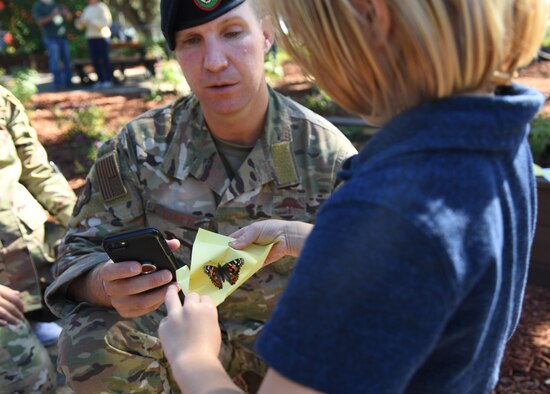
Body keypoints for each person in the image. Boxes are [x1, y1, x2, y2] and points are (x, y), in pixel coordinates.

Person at [157, 0, 549, 393]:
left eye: (307, 36)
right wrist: (321, 242)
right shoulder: (496, 134)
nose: (307, 59)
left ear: (370, 15)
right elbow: (438, 268)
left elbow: (399, 240)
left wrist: (193, 358)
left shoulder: (384, 209)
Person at [43, 0, 357, 392]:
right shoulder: (138, 147)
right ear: (175, 52)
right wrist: (102, 284)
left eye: (232, 33)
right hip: (176, 343)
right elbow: (76, 253)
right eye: (192, 40)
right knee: (91, 337)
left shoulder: (326, 155)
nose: (214, 61)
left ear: (266, 34)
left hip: (287, 359)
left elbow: (373, 278)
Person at [0, 85, 77, 393]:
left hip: (33, 270)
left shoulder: (2, 99)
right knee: (27, 377)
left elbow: (38, 170)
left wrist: (87, 224)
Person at [32, 0, 73, 90]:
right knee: (55, 60)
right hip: (50, 37)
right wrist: (52, 15)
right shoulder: (38, 6)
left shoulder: (57, 4)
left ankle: (68, 82)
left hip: (62, 37)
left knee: (67, 59)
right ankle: (58, 83)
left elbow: (69, 18)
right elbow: (40, 22)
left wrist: (65, 13)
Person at [75, 0, 114, 89]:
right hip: (91, 38)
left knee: (105, 59)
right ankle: (100, 80)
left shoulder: (102, 7)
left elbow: (106, 22)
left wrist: (92, 21)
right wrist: (80, 21)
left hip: (102, 37)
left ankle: (108, 80)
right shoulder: (87, 9)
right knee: (95, 60)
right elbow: (80, 26)